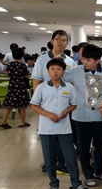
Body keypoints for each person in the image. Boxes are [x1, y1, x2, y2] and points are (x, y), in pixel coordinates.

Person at [30, 58, 90, 189]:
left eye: (59, 69)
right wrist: (48, 114)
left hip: (64, 129)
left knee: (70, 157)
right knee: (49, 159)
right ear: (48, 71)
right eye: (52, 69)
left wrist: (66, 112)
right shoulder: (42, 87)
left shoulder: (69, 88)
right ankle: (53, 185)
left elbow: (74, 104)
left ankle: (76, 183)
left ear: (63, 71)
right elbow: (34, 106)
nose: (55, 72)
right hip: (46, 129)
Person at [64, 44, 102, 187]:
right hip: (81, 116)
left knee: (100, 145)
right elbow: (61, 76)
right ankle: (88, 174)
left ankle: (98, 171)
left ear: (98, 60)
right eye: (83, 59)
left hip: (99, 116)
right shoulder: (75, 71)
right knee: (83, 147)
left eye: (88, 60)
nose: (85, 62)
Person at [32, 30, 76, 174]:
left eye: (64, 40)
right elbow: (37, 80)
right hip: (46, 104)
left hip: (63, 102)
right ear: (52, 41)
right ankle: (50, 161)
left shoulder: (70, 62)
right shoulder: (42, 59)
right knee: (48, 136)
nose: (61, 42)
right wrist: (37, 101)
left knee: (62, 135)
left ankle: (61, 162)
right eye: (58, 39)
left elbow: (72, 83)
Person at [0, 47, 30, 128]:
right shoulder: (22, 65)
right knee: (22, 106)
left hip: (12, 86)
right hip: (20, 86)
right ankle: (23, 122)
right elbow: (26, 75)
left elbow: (8, 74)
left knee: (9, 105)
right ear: (22, 56)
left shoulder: (9, 65)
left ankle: (3, 121)